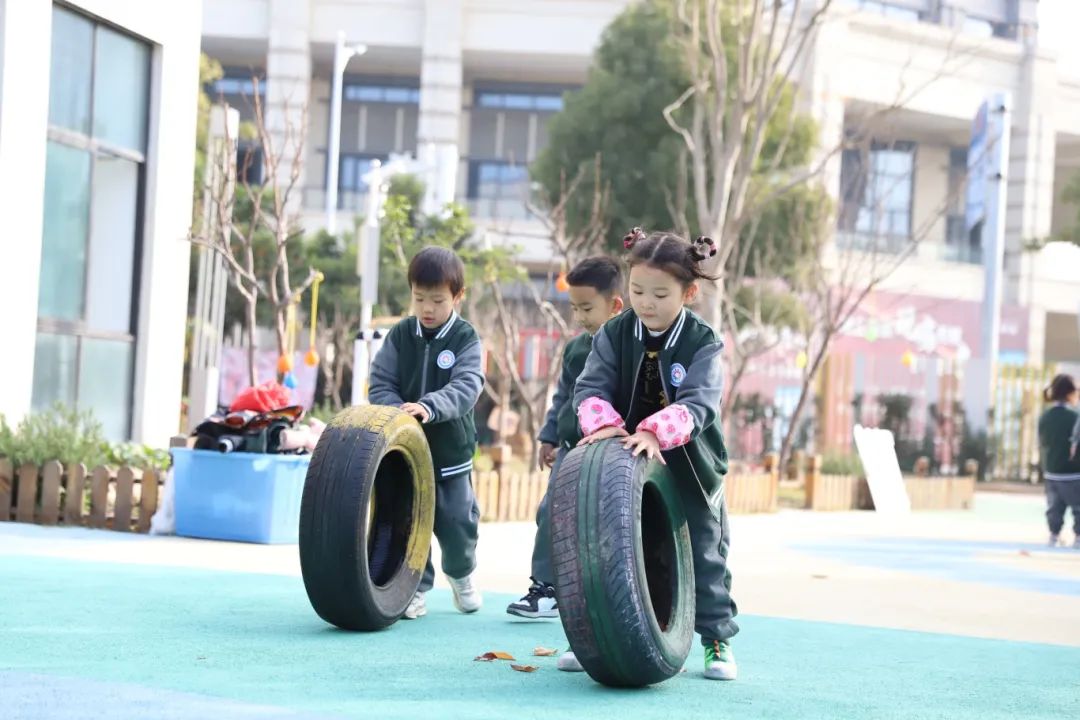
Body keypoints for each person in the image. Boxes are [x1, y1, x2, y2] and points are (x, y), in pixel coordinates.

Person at [559, 228, 739, 681]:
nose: (646, 302)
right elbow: (591, 385)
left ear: (689, 292)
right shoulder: (615, 333)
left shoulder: (703, 341)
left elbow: (700, 402)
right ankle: (593, 636)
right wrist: (602, 422)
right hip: (623, 457)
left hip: (689, 465)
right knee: (606, 546)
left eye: (660, 293)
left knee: (702, 547)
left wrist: (657, 432)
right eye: (637, 290)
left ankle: (716, 638)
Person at [368, 246, 485, 618]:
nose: (427, 309)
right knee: (409, 522)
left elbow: (468, 385)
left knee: (456, 522)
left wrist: (429, 407)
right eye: (419, 299)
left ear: (457, 297)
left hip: (449, 454)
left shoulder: (465, 338)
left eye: (437, 300)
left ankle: (462, 573)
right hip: (406, 452)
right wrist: (396, 413)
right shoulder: (402, 334)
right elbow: (381, 380)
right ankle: (415, 588)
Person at [506, 256, 624, 619]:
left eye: (587, 308)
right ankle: (546, 589)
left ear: (615, 305)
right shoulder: (576, 349)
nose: (579, 316)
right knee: (551, 512)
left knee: (607, 525)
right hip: (572, 452)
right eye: (574, 308)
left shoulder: (629, 349)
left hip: (612, 454)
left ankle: (608, 594)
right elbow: (562, 397)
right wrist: (549, 436)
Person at [1037, 374, 1080, 548]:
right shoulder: (1075, 416)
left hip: (1051, 471)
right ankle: (1078, 537)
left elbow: (1042, 442)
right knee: (1078, 507)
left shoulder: (1045, 417)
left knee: (1054, 508)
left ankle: (1054, 535)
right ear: (1071, 393)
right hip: (1074, 472)